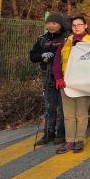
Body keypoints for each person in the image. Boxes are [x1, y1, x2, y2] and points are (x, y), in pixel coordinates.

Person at [52, 15, 90, 153]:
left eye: (79, 24)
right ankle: (69, 141)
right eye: (74, 25)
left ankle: (79, 140)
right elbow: (57, 62)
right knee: (68, 114)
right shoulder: (66, 41)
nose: (76, 27)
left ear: (85, 26)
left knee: (81, 113)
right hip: (66, 83)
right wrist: (58, 78)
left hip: (83, 84)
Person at [29, 12, 70, 145]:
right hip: (48, 76)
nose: (51, 26)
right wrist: (42, 56)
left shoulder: (68, 38)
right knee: (49, 106)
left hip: (64, 77)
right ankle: (48, 133)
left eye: (54, 23)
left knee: (63, 107)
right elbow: (32, 56)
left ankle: (61, 133)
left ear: (60, 24)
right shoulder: (42, 39)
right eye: (48, 23)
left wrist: (54, 55)